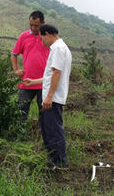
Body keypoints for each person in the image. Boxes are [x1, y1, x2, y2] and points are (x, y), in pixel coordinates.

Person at [23, 24, 72, 170]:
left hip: (53, 99)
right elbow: (50, 76)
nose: (42, 42)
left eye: (42, 38)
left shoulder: (57, 48)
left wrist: (49, 96)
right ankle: (53, 160)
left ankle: (59, 162)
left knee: (53, 130)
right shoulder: (62, 48)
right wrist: (33, 82)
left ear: (47, 34)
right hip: (52, 97)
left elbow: (57, 73)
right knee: (48, 128)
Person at [11, 11, 49, 120]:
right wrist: (16, 70)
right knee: (21, 111)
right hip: (26, 81)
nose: (33, 28)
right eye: (31, 25)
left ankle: (43, 135)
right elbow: (14, 54)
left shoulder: (48, 38)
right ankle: (20, 135)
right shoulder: (24, 36)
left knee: (44, 113)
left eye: (36, 25)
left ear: (43, 23)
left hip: (43, 82)